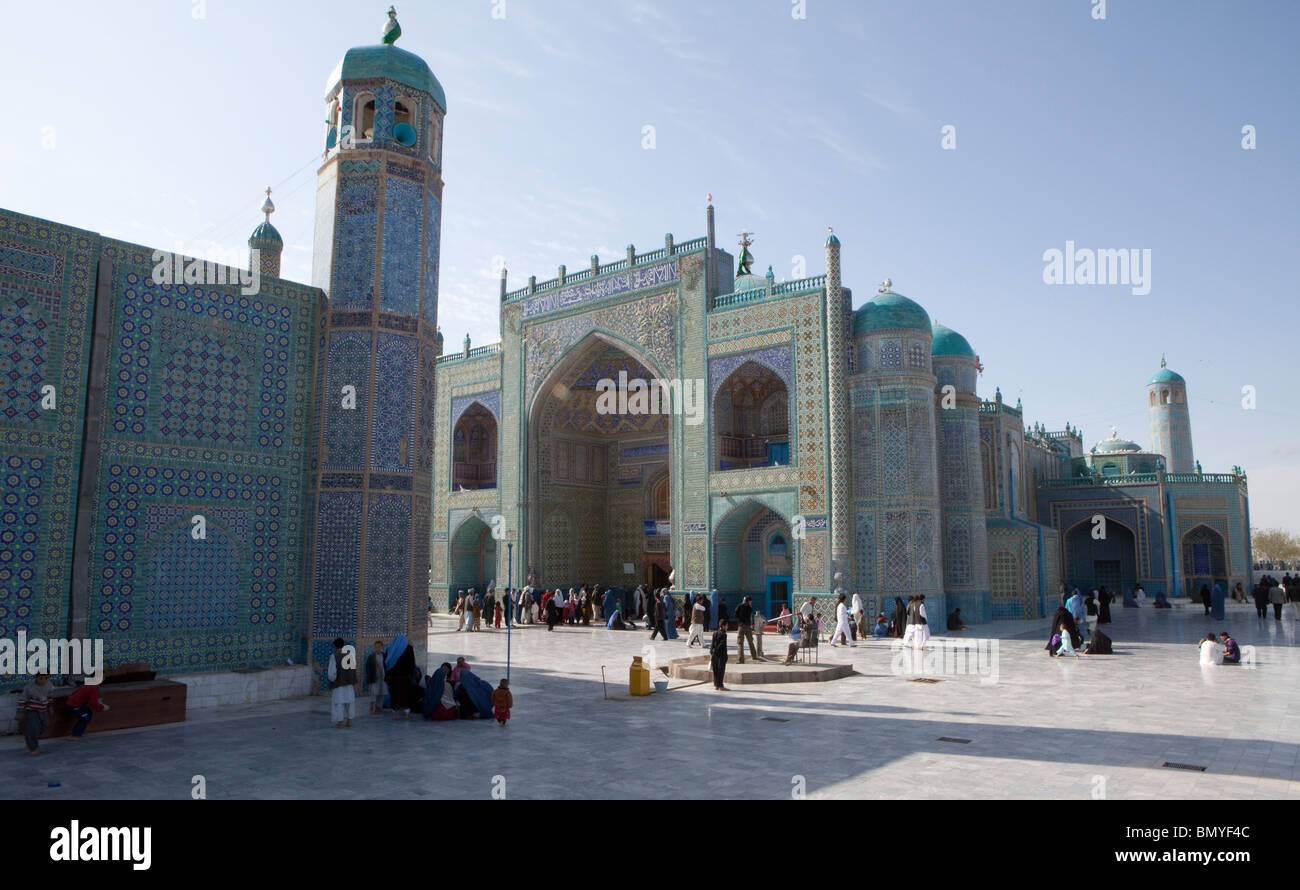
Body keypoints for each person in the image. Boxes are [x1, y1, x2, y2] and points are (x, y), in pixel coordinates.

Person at [17, 673, 52, 755]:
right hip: (32, 710)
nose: (43, 680)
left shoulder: (49, 684)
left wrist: (50, 706)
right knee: (33, 730)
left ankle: (31, 737)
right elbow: (22, 700)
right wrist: (20, 713)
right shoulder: (29, 687)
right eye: (41, 678)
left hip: (43, 710)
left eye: (46, 678)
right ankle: (32, 748)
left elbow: (50, 695)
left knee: (45, 725)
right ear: (36, 677)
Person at [327, 637, 356, 728]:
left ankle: (340, 722)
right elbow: (353, 669)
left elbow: (332, 673)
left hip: (339, 684)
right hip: (349, 683)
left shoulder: (334, 656)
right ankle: (349, 720)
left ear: (335, 646)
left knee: (339, 703)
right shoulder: (350, 655)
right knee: (349, 702)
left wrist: (332, 680)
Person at [385, 634, 415, 719]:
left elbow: (386, 662)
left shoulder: (390, 648)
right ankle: (407, 714)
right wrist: (412, 674)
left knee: (394, 695)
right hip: (405, 677)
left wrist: (388, 675)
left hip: (393, 677)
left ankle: (394, 714)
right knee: (406, 695)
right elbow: (412, 663)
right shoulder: (409, 648)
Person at [365, 640, 387, 714]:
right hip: (374, 678)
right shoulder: (371, 657)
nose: (377, 648)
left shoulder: (384, 655)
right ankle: (372, 708)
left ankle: (378, 708)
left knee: (381, 693)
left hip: (383, 678)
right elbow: (367, 668)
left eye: (379, 647)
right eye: (376, 647)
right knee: (373, 693)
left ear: (382, 647)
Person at [735, 595, 758, 663]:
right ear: (749, 601)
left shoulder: (739, 606)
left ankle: (741, 659)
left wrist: (740, 619)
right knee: (750, 642)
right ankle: (754, 656)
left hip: (741, 626)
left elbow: (736, 614)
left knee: (740, 643)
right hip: (748, 626)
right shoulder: (749, 607)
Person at [709, 617, 729, 690]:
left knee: (716, 670)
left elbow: (712, 644)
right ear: (723, 626)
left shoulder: (715, 633)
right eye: (726, 625)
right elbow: (722, 645)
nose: (727, 627)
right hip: (721, 655)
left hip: (714, 655)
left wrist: (712, 652)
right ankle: (720, 686)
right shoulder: (724, 634)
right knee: (721, 670)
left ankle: (716, 685)